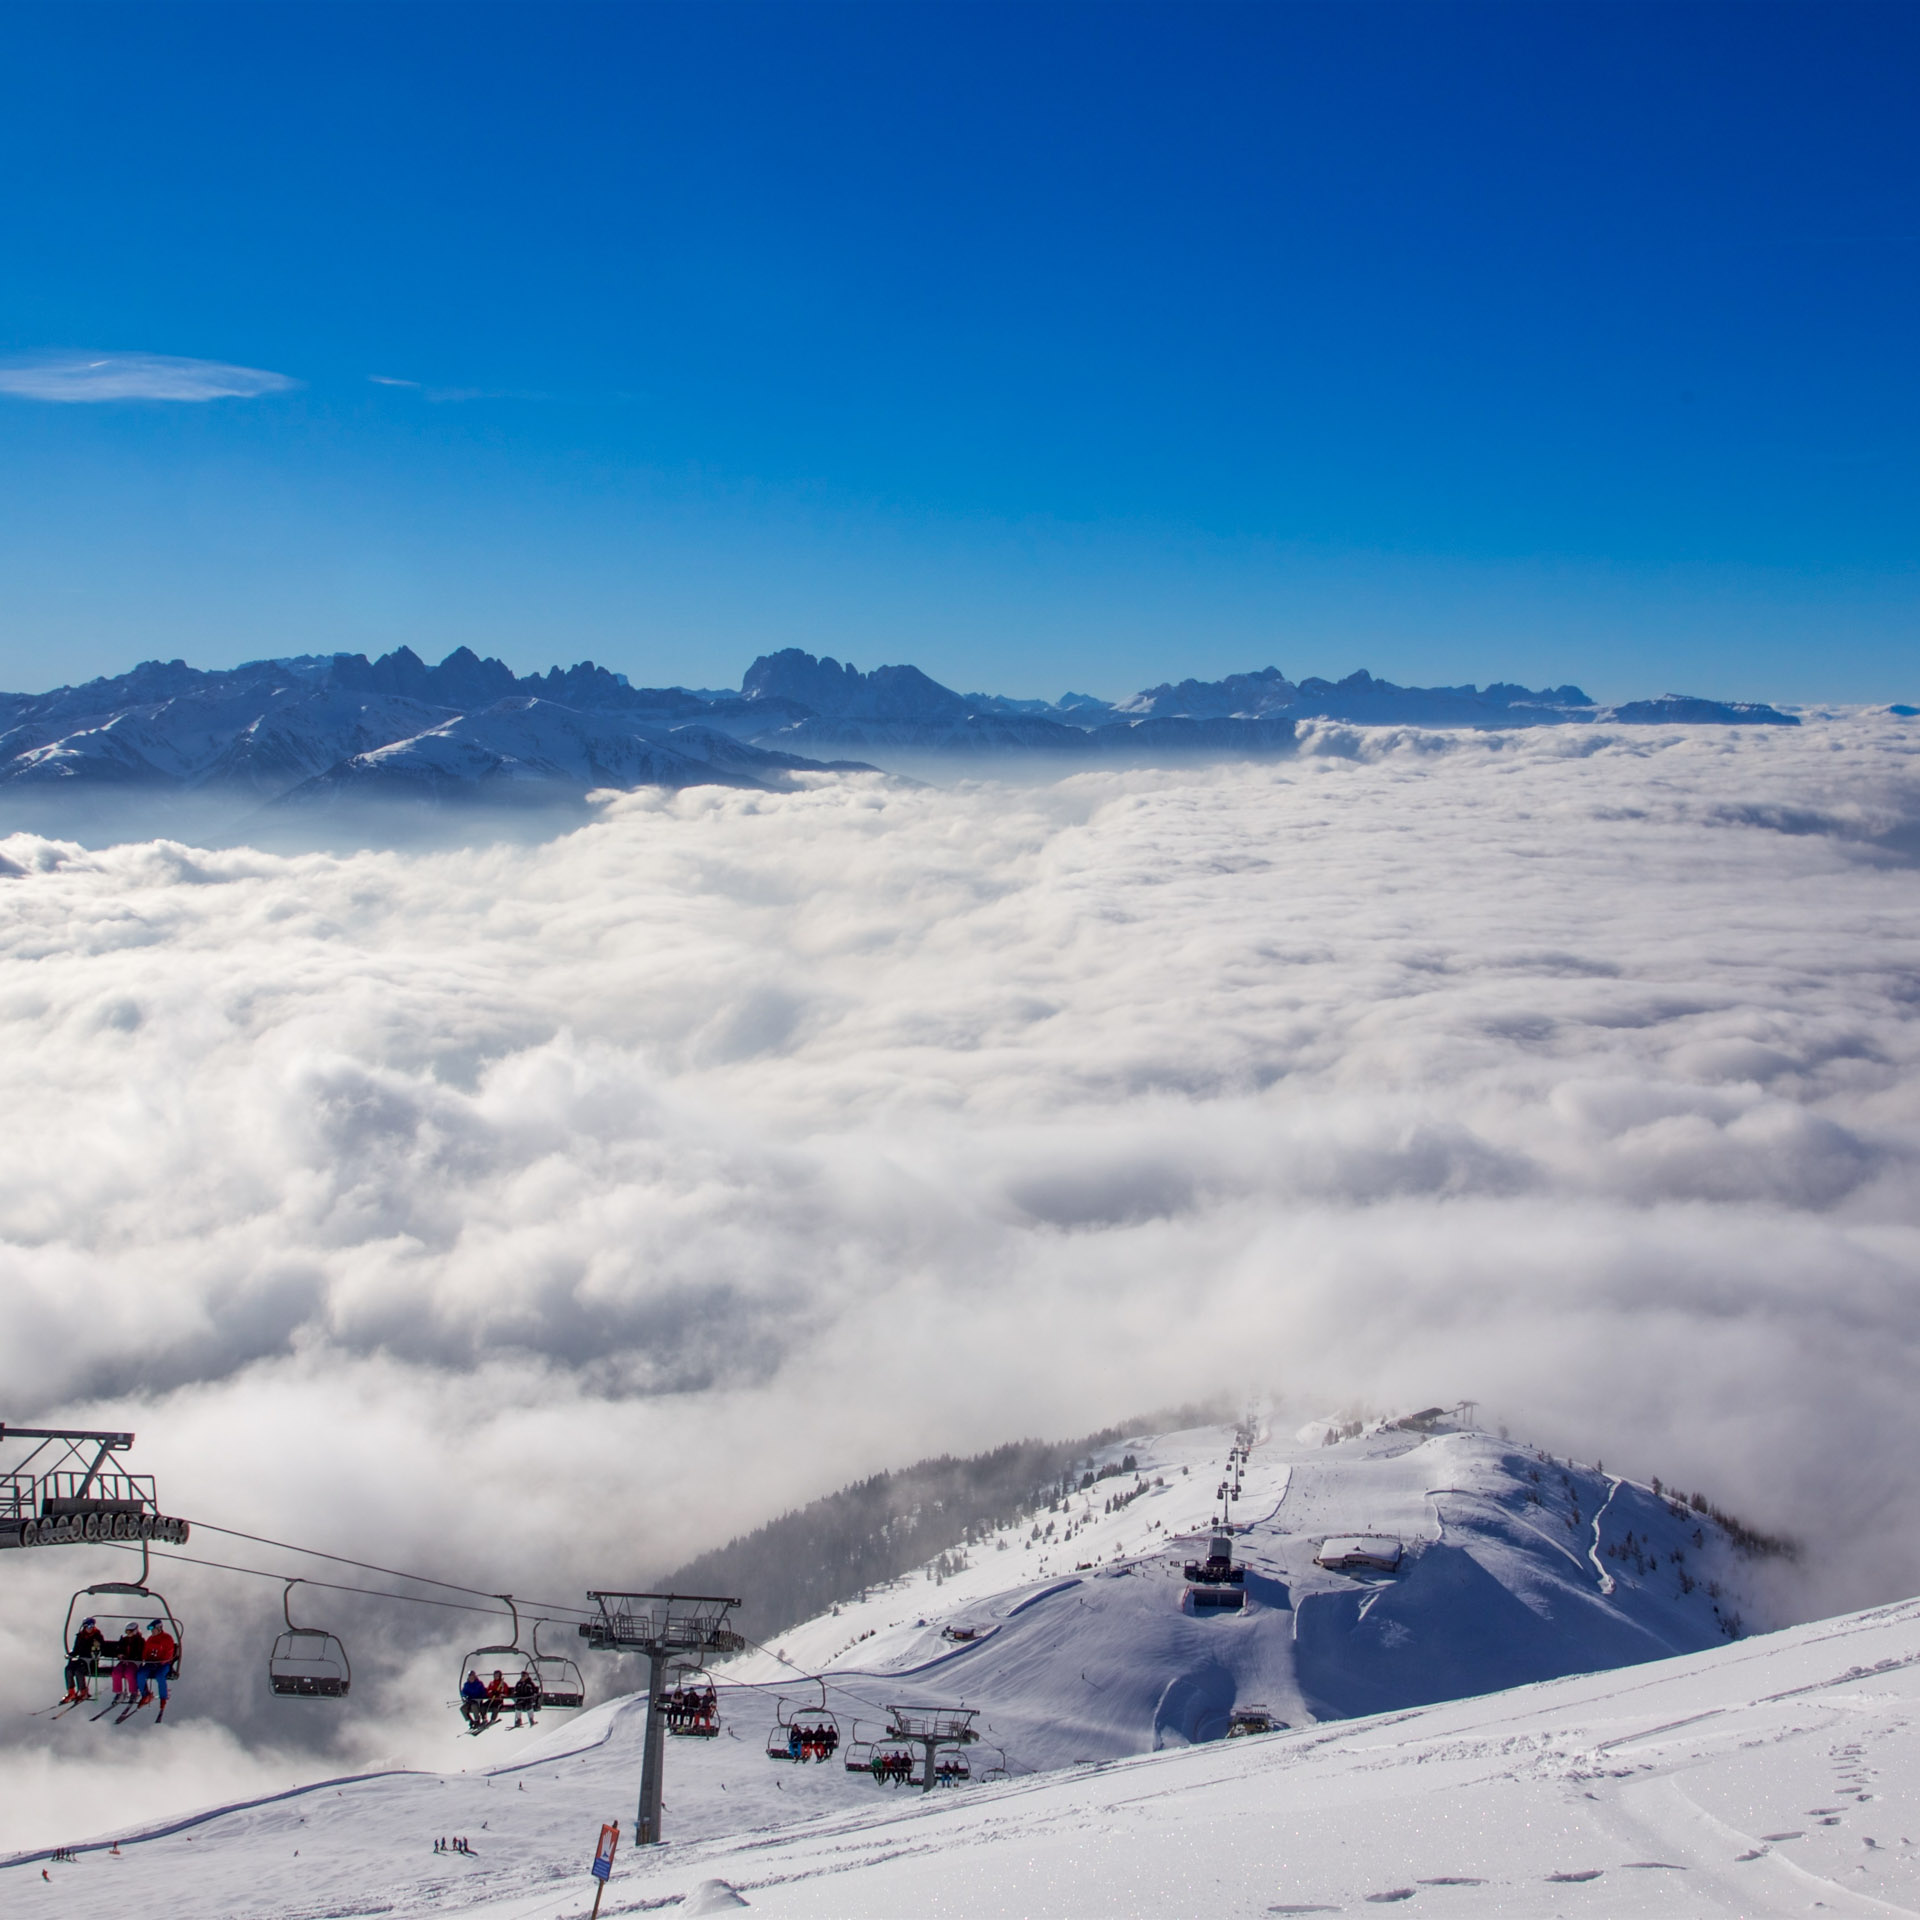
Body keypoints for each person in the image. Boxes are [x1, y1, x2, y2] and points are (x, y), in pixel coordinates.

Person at [137, 1619, 177, 1713]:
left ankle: (163, 1698)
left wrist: (160, 1662)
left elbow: (169, 1653)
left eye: (153, 1629)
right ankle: (145, 1695)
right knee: (140, 1674)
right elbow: (145, 1652)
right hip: (151, 1663)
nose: (152, 1631)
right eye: (151, 1629)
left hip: (163, 1664)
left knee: (160, 1676)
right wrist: (146, 1660)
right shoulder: (150, 1639)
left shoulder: (167, 1638)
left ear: (159, 1628)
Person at [63, 1617, 105, 1702]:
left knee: (79, 1671)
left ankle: (83, 1692)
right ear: (84, 1627)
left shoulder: (97, 1637)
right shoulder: (80, 1636)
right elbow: (76, 1651)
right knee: (68, 1669)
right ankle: (71, 1692)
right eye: (89, 1627)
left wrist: (95, 1653)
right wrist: (70, 1655)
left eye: (92, 1626)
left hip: (91, 1662)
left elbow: (100, 1649)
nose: (91, 1628)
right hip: (81, 1660)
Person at [111, 1622, 144, 1701]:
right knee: (116, 1672)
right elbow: (119, 1649)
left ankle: (134, 1692)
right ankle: (119, 1692)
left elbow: (140, 1652)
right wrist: (120, 1654)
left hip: (134, 1662)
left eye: (130, 1632)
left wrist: (132, 1658)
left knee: (129, 1673)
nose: (128, 1634)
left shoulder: (140, 1640)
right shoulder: (124, 1640)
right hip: (124, 1661)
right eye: (127, 1632)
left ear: (135, 1631)